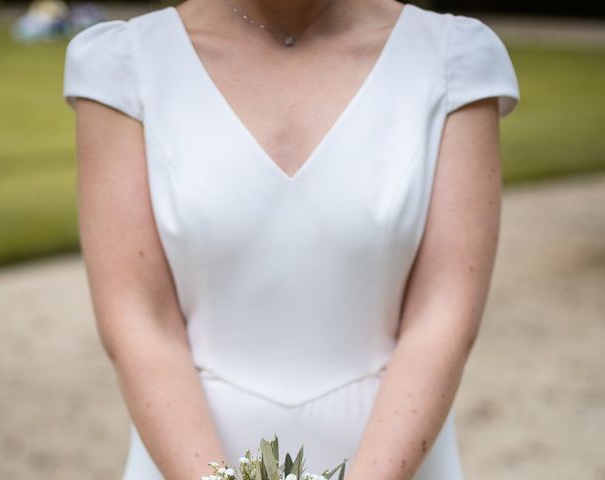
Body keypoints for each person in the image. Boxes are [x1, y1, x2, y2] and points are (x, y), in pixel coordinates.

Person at [62, 0, 520, 478]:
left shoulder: (451, 58)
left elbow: (443, 314)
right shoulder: (125, 64)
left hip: (398, 455)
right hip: (186, 455)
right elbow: (139, 319)